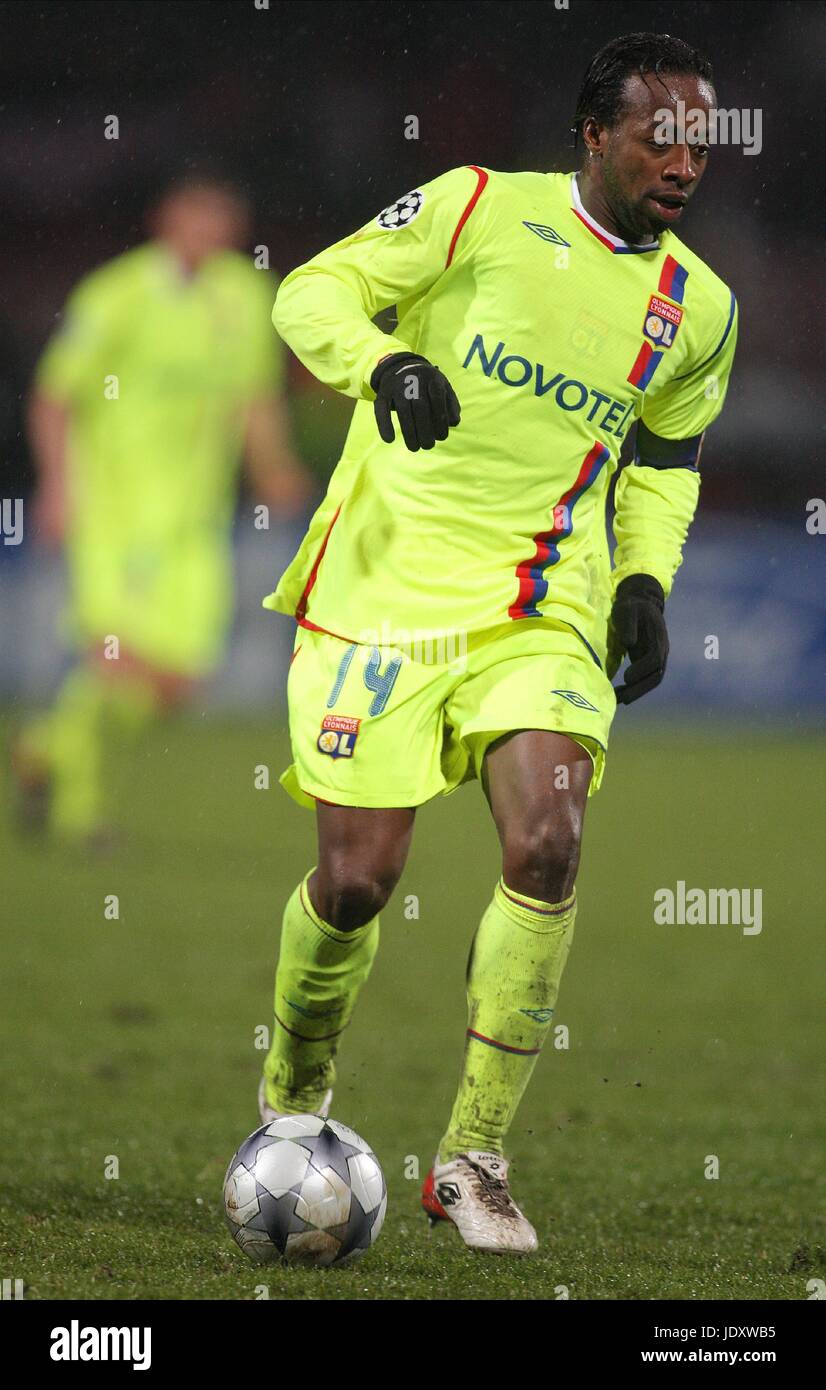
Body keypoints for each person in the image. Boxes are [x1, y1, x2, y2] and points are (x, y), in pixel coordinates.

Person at [258, 33, 738, 1253]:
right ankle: (294, 1106)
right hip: (381, 593)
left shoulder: (699, 310)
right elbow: (307, 293)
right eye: (658, 135)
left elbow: (667, 463)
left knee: (550, 839)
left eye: (701, 139)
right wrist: (388, 361)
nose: (684, 160)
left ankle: (471, 1157)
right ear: (593, 133)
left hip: (543, 609)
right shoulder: (473, 206)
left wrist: (642, 581)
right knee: (357, 883)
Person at [14, 173, 311, 843]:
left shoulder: (243, 293)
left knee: (176, 683)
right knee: (116, 658)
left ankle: (45, 749)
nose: (211, 232)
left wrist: (274, 468)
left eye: (224, 220)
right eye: (199, 216)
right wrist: (58, 486)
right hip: (114, 511)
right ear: (166, 219)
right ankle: (79, 815)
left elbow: (254, 396)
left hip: (194, 521)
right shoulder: (115, 294)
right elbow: (55, 396)